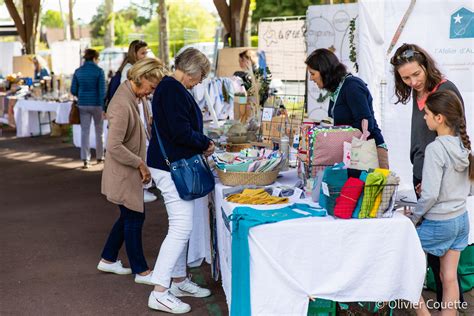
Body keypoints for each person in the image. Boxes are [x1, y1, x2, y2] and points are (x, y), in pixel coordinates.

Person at [390, 43, 465, 306]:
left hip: (437, 184)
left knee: (440, 264)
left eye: (416, 75)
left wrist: (434, 183)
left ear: (426, 67)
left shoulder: (445, 90)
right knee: (440, 265)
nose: (412, 82)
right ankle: (449, 305)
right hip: (423, 175)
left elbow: (456, 138)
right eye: (405, 78)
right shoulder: (416, 92)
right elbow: (420, 137)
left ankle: (448, 305)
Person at [146, 48, 215, 314]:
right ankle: (160, 290)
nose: (199, 82)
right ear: (192, 70)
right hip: (171, 165)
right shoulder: (173, 89)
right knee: (180, 227)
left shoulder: (168, 87)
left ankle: (177, 279)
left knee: (179, 225)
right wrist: (204, 142)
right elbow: (180, 131)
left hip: (169, 164)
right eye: (200, 77)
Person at [98, 58, 167, 285]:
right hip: (123, 171)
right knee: (135, 216)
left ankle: (108, 258)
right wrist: (139, 163)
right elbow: (114, 146)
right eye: (152, 86)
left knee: (129, 215)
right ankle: (141, 270)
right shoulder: (120, 103)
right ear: (142, 78)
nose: (152, 92)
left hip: (129, 171)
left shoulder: (137, 97)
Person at [407, 90, 472, 316]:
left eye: (426, 113)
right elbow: (468, 188)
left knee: (404, 270)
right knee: (450, 277)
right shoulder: (463, 146)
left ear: (439, 118)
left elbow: (431, 195)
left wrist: (414, 218)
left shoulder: (435, 148)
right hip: (462, 221)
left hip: (439, 223)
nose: (423, 118)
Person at [305, 48, 389, 168]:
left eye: (313, 74)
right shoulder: (337, 90)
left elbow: (365, 126)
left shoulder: (352, 86)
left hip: (369, 154)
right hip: (354, 155)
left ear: (324, 71)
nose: (311, 78)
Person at [71, 49, 106, 169]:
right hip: (97, 104)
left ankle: (86, 159)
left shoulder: (78, 71)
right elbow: (102, 91)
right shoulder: (99, 71)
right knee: (99, 131)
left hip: (83, 104)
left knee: (84, 132)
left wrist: (81, 95)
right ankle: (100, 156)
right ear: (95, 58)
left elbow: (73, 90)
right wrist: (103, 107)